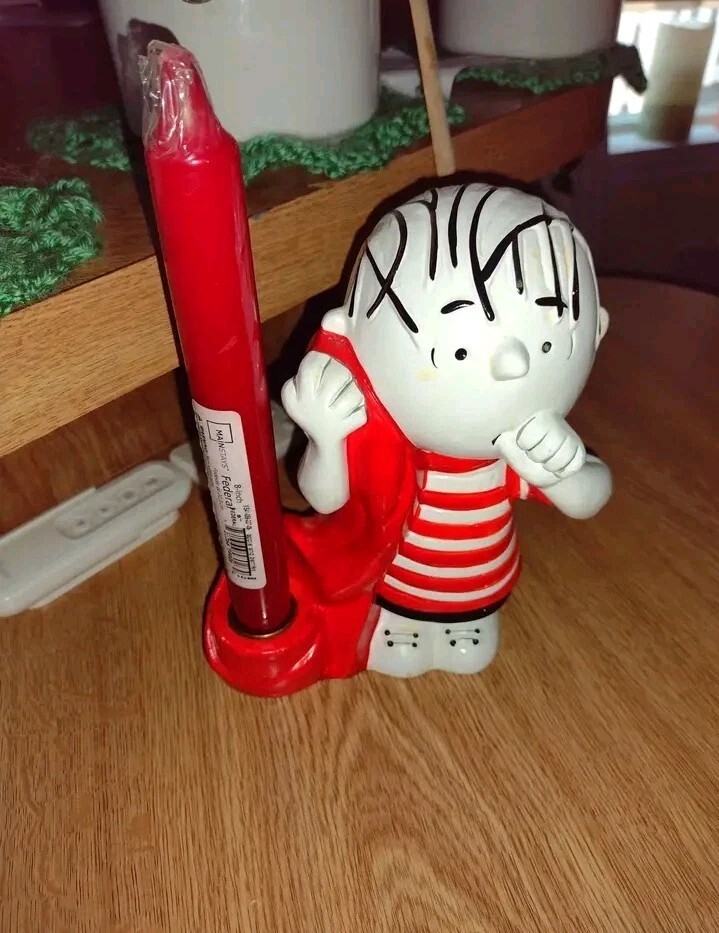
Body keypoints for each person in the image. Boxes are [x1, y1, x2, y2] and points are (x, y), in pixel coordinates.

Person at [282, 183, 612, 679]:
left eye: (546, 346)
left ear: (597, 333)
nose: (513, 366)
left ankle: (465, 620)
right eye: (456, 352)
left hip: (479, 590)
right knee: (400, 647)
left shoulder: (510, 456)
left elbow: (589, 498)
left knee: (467, 647)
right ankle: (402, 619)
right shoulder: (378, 443)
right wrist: (326, 440)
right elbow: (327, 501)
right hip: (392, 585)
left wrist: (560, 472)